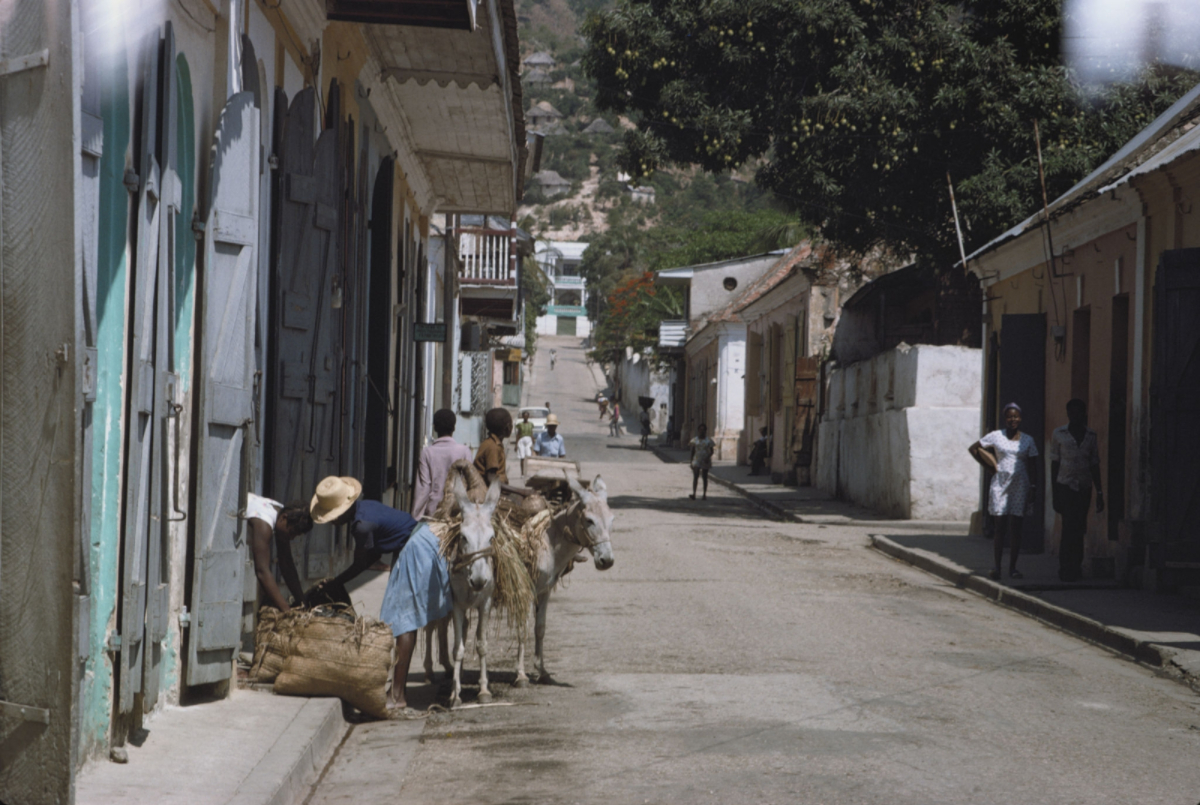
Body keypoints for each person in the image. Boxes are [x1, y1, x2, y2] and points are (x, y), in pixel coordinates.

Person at [309, 476, 450, 715]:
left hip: (415, 547)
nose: (331, 523)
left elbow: (363, 562)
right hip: (419, 540)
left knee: (404, 621)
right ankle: (396, 691)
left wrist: (337, 582)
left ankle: (397, 695)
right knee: (402, 619)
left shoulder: (361, 525)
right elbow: (372, 556)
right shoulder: (364, 508)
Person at [969, 403, 1040, 580]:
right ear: (1004, 418)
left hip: (1020, 486)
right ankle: (997, 567)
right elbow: (974, 448)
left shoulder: (1028, 440)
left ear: (1020, 418)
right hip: (1000, 485)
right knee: (1000, 527)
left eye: (1016, 416)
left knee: (1016, 528)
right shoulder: (996, 436)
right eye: (1009, 416)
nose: (1013, 419)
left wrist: (1033, 487)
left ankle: (1013, 568)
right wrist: (989, 466)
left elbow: (1033, 466)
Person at [1050, 399, 1104, 582]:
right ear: (1068, 414)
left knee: (1079, 528)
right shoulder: (1059, 434)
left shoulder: (1091, 435)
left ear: (1084, 414)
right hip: (1065, 487)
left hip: (1084, 488)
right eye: (1072, 413)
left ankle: (1076, 568)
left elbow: (1094, 464)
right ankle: (1065, 568)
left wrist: (1100, 492)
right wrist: (1055, 494)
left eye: (1079, 412)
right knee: (1067, 528)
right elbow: (1054, 464)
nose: (1075, 416)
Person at [246, 494, 314, 612]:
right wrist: (287, 612)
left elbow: (286, 563)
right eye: (292, 532)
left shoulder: (281, 514)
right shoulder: (264, 524)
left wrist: (302, 603)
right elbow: (262, 571)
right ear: (283, 518)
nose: (291, 538)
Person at [412, 409, 474, 519]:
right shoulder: (464, 451)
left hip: (433, 512)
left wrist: (415, 518)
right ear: (454, 428)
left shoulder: (427, 453)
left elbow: (424, 488)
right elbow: (469, 484)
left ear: (435, 427)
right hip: (458, 512)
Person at [474, 407, 512, 486]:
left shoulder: (492, 443)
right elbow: (491, 479)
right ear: (507, 427)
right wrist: (520, 491)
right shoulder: (492, 447)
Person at [689, 424, 716, 500]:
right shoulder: (694, 440)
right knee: (696, 476)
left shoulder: (709, 440)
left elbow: (711, 451)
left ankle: (704, 494)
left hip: (705, 459)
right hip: (696, 459)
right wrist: (691, 461)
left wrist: (708, 457)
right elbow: (692, 451)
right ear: (698, 430)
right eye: (700, 429)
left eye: (703, 429)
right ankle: (694, 493)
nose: (702, 431)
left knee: (705, 477)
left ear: (705, 430)